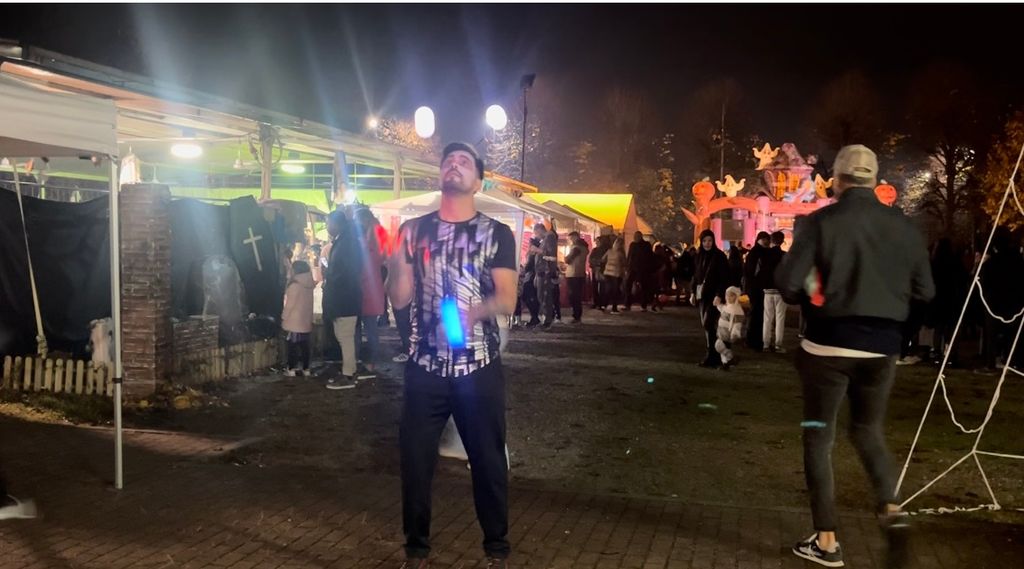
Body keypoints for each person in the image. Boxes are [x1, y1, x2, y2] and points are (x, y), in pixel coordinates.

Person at [776, 144, 935, 568]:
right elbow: (926, 291)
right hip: (881, 349)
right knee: (868, 431)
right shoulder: (904, 227)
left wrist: (815, 295)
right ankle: (892, 509)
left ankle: (826, 540)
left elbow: (788, 283)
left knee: (818, 436)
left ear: (837, 181)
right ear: (875, 180)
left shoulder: (819, 223)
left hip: (826, 346)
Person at [388, 142, 517, 569]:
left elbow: (507, 299)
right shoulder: (413, 230)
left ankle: (496, 549)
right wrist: (396, 264)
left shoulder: (496, 233)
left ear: (478, 181)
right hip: (425, 366)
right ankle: (416, 550)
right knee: (415, 461)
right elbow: (400, 296)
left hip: (478, 366)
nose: (454, 165)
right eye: (448, 160)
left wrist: (471, 312)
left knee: (488, 461)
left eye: (464, 162)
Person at [322, 210, 364, 389]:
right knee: (343, 335)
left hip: (345, 298)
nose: (327, 227)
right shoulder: (346, 240)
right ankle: (350, 370)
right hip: (345, 297)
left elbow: (344, 271)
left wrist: (330, 278)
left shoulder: (346, 243)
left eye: (328, 223)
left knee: (345, 336)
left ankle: (348, 375)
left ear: (336, 223)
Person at [692, 230, 730, 367]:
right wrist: (692, 292)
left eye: (709, 241)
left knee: (709, 323)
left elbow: (724, 277)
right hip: (703, 295)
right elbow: (696, 276)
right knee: (707, 325)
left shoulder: (719, 256)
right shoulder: (699, 256)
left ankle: (714, 355)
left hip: (714, 296)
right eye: (704, 241)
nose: (707, 243)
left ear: (713, 241)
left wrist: (719, 295)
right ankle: (716, 354)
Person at [355, 207, 386, 377]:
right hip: (372, 289)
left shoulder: (369, 239)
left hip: (366, 289)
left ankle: (365, 362)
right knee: (370, 328)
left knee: (364, 328)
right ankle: (369, 361)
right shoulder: (377, 235)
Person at [281, 260, 315, 376]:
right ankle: (306, 368)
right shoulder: (309, 284)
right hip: (305, 320)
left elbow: (289, 305)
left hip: (294, 321)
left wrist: (283, 317)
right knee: (305, 346)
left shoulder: (295, 285)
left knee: (292, 346)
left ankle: (291, 368)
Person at [744, 231, 771, 350]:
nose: (765, 241)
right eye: (763, 239)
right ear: (758, 240)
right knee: (756, 314)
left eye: (767, 239)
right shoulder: (756, 253)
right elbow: (751, 272)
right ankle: (752, 340)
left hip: (758, 288)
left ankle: (755, 339)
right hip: (756, 289)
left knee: (758, 314)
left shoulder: (761, 252)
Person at [762, 231, 788, 353]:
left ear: (771, 240)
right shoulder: (785, 256)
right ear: (782, 241)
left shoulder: (765, 255)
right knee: (780, 318)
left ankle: (766, 344)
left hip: (768, 290)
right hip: (780, 291)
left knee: (767, 318)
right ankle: (778, 345)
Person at [531, 223, 558, 330]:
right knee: (542, 296)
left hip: (546, 272)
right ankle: (547, 318)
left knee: (545, 296)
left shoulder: (550, 237)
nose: (536, 236)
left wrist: (538, 250)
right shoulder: (545, 239)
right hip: (541, 272)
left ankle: (548, 320)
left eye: (536, 233)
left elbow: (551, 256)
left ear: (539, 230)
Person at [715, 286, 745, 370]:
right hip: (722, 332)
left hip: (727, 333)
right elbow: (723, 309)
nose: (728, 297)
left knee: (719, 346)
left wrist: (735, 334)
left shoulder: (737, 310)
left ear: (736, 296)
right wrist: (718, 305)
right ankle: (726, 364)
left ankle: (731, 358)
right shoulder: (728, 307)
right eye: (727, 295)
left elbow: (737, 324)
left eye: (731, 296)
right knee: (722, 349)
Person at [624, 231, 653, 311]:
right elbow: (629, 256)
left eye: (636, 236)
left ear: (640, 237)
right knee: (628, 285)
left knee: (643, 287)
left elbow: (649, 257)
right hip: (634, 268)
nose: (635, 238)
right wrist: (628, 266)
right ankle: (628, 304)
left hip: (642, 269)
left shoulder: (646, 245)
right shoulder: (633, 245)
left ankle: (643, 305)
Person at [564, 231, 589, 324]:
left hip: (573, 273)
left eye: (570, 239)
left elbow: (568, 259)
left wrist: (566, 258)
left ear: (575, 237)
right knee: (577, 295)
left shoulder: (576, 248)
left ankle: (576, 315)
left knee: (574, 296)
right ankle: (577, 315)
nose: (570, 241)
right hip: (580, 272)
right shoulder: (584, 247)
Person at [602, 236, 626, 313]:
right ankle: (614, 308)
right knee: (615, 291)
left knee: (608, 290)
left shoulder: (609, 251)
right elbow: (624, 263)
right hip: (616, 273)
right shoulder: (621, 253)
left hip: (607, 272)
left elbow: (603, 259)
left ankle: (604, 305)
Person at [589, 235, 610, 310]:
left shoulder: (606, 250)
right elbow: (590, 259)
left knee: (602, 288)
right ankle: (596, 302)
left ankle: (602, 303)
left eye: (598, 241)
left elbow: (605, 260)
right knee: (594, 287)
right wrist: (596, 263)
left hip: (603, 270)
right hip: (595, 270)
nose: (596, 243)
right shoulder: (595, 250)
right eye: (596, 241)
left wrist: (598, 263)